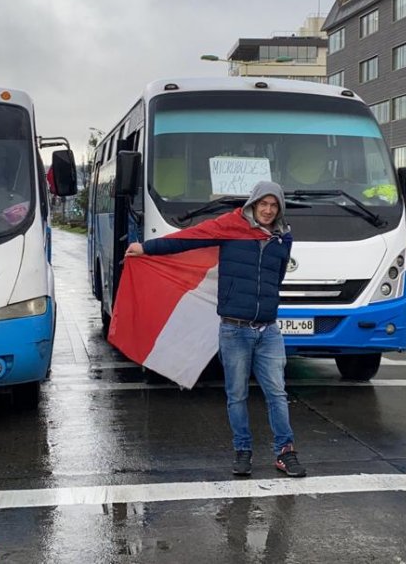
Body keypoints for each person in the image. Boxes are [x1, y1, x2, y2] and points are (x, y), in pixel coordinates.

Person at [124, 181, 306, 478]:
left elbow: (278, 276)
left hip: (268, 331)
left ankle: (286, 452)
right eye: (264, 204)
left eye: (274, 206)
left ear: (279, 209)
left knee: (277, 393)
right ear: (253, 204)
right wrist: (146, 247)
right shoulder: (230, 226)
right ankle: (242, 451)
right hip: (234, 330)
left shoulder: (283, 238)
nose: (268, 210)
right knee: (237, 395)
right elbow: (188, 239)